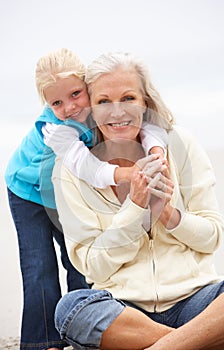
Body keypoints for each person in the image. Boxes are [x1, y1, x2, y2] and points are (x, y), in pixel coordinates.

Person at [52, 51, 224, 350]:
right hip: (124, 311)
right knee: (72, 309)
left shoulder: (180, 144)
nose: (117, 112)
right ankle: (205, 340)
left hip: (196, 301)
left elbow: (211, 237)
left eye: (128, 98)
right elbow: (93, 268)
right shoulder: (70, 172)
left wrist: (168, 215)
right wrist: (135, 209)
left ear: (145, 102)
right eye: (103, 101)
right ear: (91, 111)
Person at [4, 48, 167, 350]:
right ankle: (43, 342)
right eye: (56, 102)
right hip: (28, 193)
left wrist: (156, 151)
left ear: (88, 88)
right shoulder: (55, 129)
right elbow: (86, 167)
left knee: (79, 258)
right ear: (46, 104)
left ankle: (82, 331)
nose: (69, 107)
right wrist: (128, 176)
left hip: (64, 197)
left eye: (76, 94)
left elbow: (148, 126)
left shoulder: (101, 106)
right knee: (39, 266)